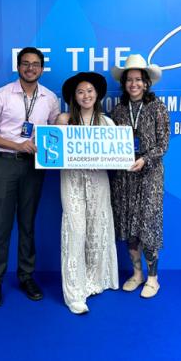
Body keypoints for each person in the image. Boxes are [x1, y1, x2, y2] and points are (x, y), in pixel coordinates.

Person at [0, 47, 60, 307]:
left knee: (28, 224)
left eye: (35, 64)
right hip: (5, 165)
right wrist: (17, 145)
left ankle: (26, 276)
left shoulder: (49, 98)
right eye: (25, 63)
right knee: (2, 225)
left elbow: (56, 129)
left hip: (34, 167)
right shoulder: (1, 94)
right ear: (18, 66)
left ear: (42, 68)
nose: (30, 68)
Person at [55, 72, 119, 314]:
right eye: (80, 91)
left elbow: (116, 154)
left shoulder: (106, 123)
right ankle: (74, 293)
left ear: (97, 94)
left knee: (97, 228)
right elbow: (53, 151)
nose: (86, 95)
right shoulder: (63, 120)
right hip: (71, 180)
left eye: (90, 91)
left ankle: (94, 281)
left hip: (98, 180)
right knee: (75, 230)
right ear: (74, 96)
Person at [109, 54, 170, 298]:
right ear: (124, 84)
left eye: (138, 80)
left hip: (150, 175)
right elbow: (110, 142)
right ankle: (137, 274)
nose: (133, 84)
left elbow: (163, 143)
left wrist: (145, 159)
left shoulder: (157, 107)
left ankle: (153, 279)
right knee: (129, 225)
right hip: (125, 176)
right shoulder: (119, 110)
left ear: (146, 83)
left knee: (148, 225)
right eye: (129, 80)